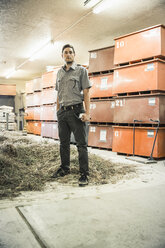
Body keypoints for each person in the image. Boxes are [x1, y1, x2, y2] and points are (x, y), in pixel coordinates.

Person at [52, 44, 91, 186]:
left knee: (81, 144)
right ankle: (64, 168)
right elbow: (58, 93)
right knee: (63, 143)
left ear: (74, 55)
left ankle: (84, 174)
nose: (68, 54)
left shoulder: (81, 71)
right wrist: (57, 110)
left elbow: (86, 92)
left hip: (76, 111)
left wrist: (87, 112)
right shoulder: (59, 73)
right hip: (62, 112)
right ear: (62, 56)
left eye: (70, 52)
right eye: (65, 53)